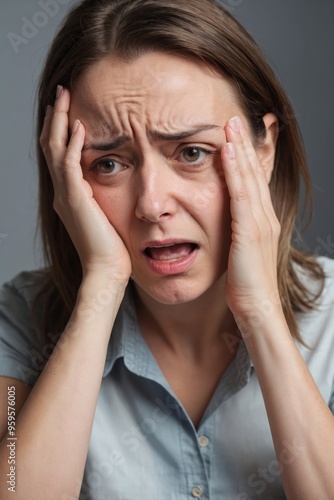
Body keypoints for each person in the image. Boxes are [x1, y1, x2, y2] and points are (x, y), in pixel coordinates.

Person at [0, 0, 333, 498]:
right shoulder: (22, 321)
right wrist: (100, 290)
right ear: (66, 176)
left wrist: (261, 314)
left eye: (192, 153)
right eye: (109, 163)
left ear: (263, 151)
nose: (152, 205)